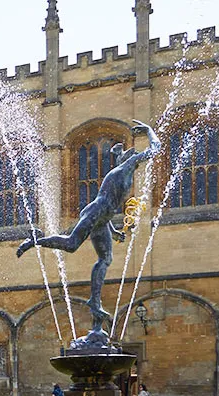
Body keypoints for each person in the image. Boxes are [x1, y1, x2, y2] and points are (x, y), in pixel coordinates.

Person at [17, 120, 161, 341]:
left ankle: (95, 301)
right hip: (95, 213)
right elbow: (155, 149)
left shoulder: (124, 175)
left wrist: (112, 231)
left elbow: (109, 207)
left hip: (103, 219)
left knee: (106, 259)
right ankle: (36, 239)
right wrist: (149, 131)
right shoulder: (124, 168)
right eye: (130, 156)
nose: (135, 159)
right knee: (72, 244)